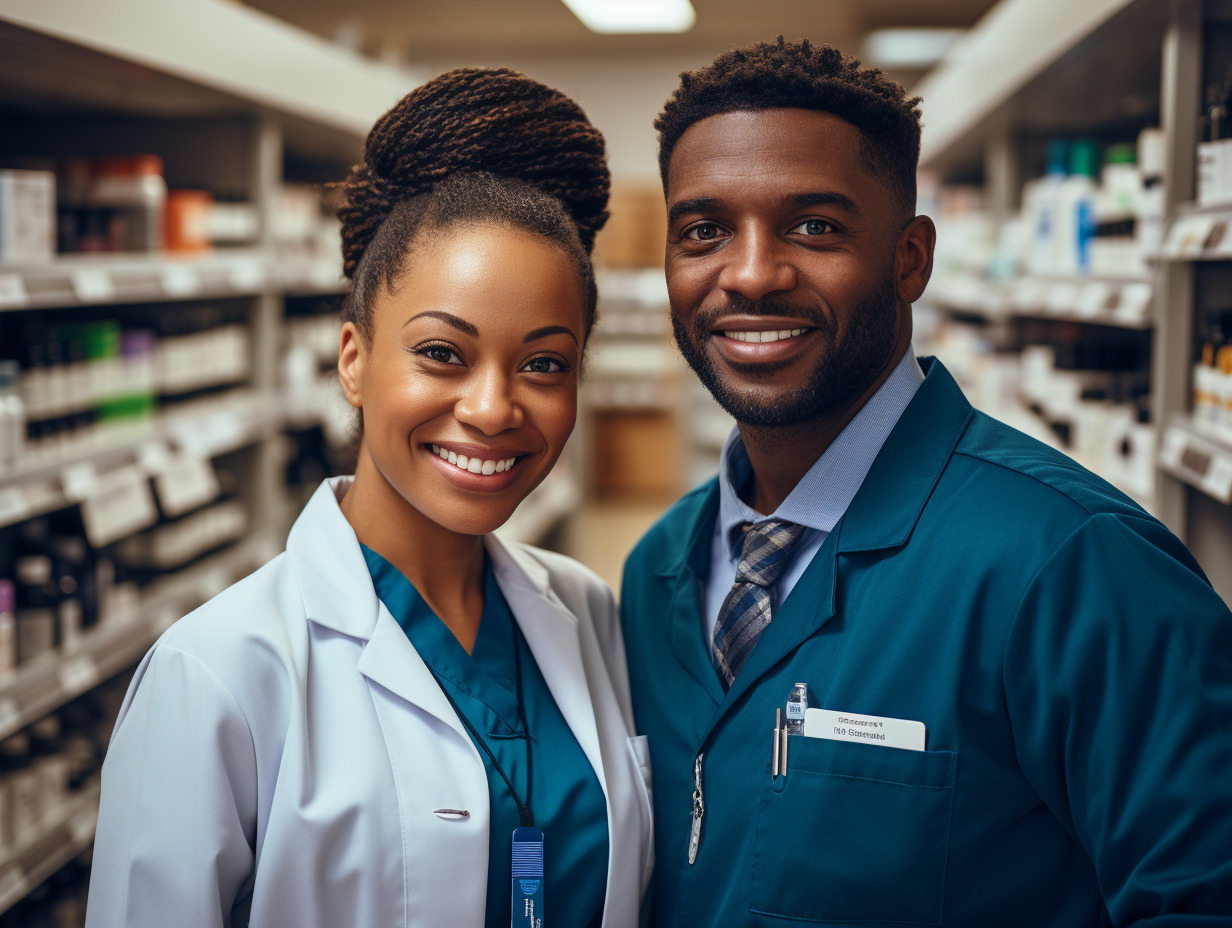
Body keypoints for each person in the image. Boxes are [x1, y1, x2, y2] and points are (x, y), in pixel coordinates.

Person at [619, 37, 1232, 927]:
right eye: (704, 230)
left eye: (814, 226)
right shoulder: (657, 570)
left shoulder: (1072, 565)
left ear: (911, 259)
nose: (750, 273)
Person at [86, 68, 653, 928]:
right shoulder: (220, 673)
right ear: (353, 359)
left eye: (544, 363)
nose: (494, 408)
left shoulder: (588, 612)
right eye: (441, 353)